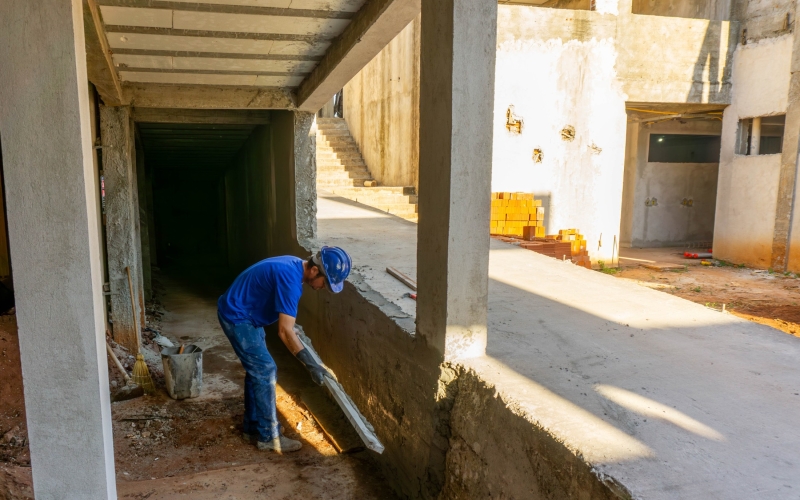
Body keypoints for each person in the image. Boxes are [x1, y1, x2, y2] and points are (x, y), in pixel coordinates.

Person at [217, 246, 351, 453]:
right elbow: (284, 332)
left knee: (257, 370)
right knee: (265, 370)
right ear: (315, 271)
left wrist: (290, 327)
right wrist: (312, 365)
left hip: (243, 310)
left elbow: (285, 321)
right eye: (325, 283)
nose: (323, 288)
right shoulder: (291, 282)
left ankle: (252, 427)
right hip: (238, 317)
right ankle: (268, 437)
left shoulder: (294, 265)